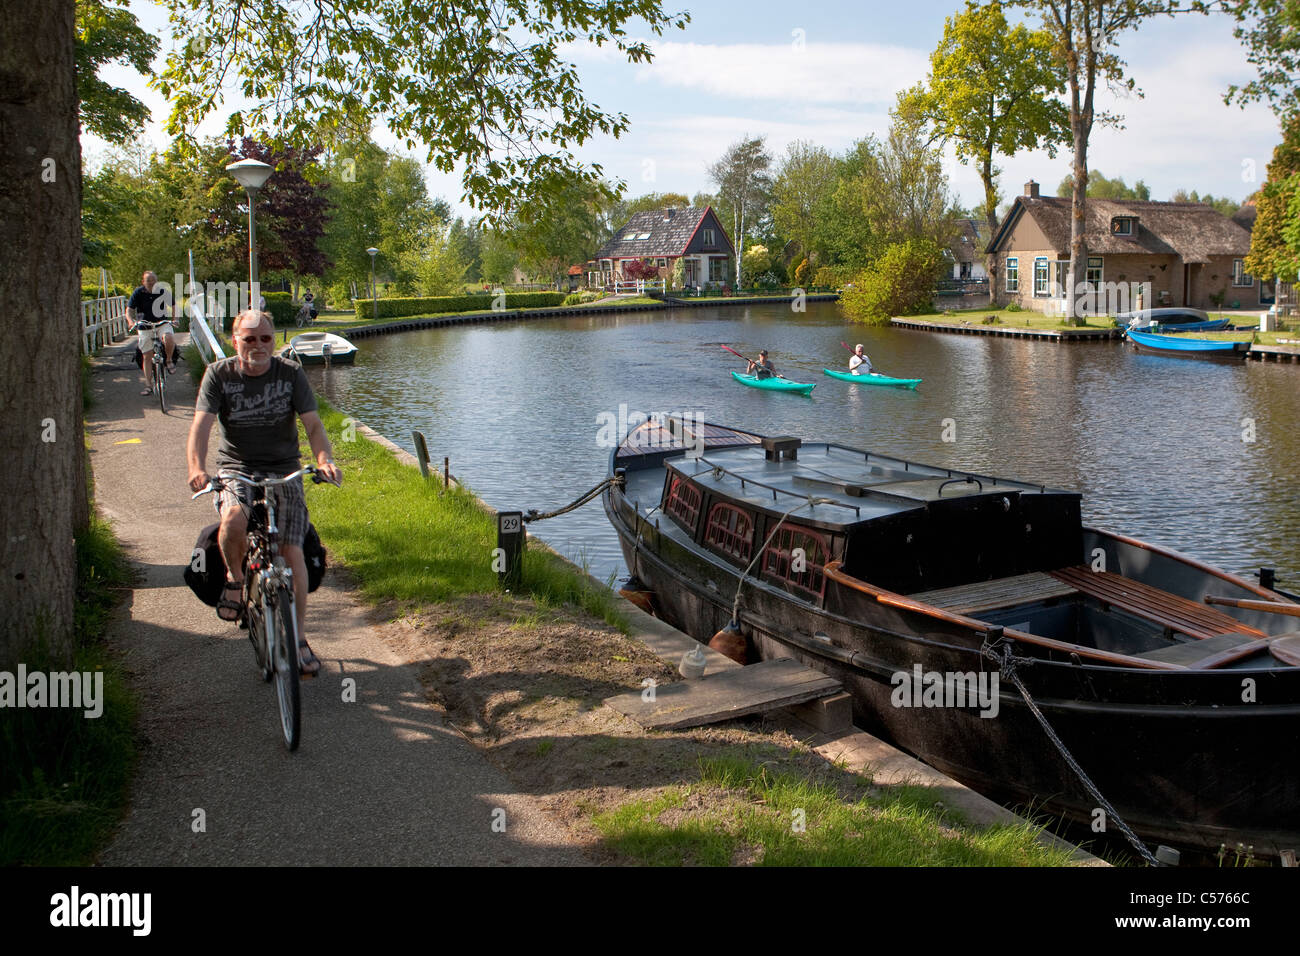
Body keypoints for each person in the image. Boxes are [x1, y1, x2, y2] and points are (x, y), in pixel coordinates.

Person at [187, 310, 343, 677]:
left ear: (274, 340)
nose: (257, 345)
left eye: (265, 339)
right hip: (237, 468)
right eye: (249, 338)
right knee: (234, 519)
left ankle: (300, 639)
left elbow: (314, 426)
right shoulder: (219, 375)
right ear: (234, 339)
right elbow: (200, 427)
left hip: (283, 469)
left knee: (291, 551)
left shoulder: (290, 374)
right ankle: (235, 580)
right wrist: (196, 468)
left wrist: (324, 460)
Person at [128, 271, 176, 393]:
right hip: (145, 326)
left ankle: (169, 360)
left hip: (161, 323)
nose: (151, 282)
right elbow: (129, 309)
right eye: (148, 280)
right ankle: (148, 385)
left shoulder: (162, 291)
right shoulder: (138, 293)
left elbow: (174, 306)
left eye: (153, 280)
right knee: (147, 356)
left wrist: (175, 319)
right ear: (143, 282)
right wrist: (131, 321)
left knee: (169, 337)